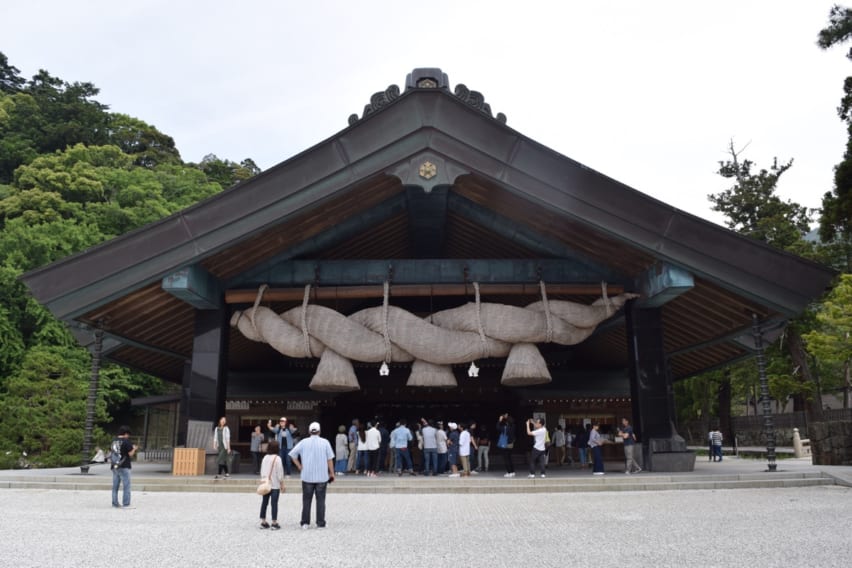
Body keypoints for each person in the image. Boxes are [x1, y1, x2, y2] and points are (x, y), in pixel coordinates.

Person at [289, 421, 335, 529]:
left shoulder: (303, 442)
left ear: (310, 431)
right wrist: (332, 473)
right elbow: (330, 459)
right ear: (319, 431)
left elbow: (292, 454)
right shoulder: (325, 442)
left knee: (306, 500)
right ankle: (320, 523)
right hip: (322, 476)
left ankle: (305, 522)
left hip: (307, 476)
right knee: (321, 500)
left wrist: (299, 466)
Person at [258, 440, 285, 530]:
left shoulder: (265, 458)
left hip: (266, 483)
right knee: (274, 503)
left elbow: (262, 470)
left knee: (264, 502)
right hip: (275, 485)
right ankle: (274, 522)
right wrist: (282, 483)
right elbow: (279, 473)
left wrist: (263, 479)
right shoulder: (277, 459)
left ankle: (263, 521)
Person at [111, 425, 137, 508]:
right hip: (124, 465)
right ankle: (126, 504)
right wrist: (134, 449)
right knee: (126, 485)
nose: (128, 436)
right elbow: (130, 454)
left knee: (115, 486)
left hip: (114, 465)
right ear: (126, 433)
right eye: (128, 434)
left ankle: (115, 503)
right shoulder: (126, 441)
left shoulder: (113, 441)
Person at [496, 413, 516, 478]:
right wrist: (506, 417)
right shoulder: (513, 427)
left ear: (507, 422)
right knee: (510, 458)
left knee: (506, 459)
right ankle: (512, 472)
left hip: (505, 444)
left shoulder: (505, 428)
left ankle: (509, 472)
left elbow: (497, 427)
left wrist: (500, 420)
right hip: (511, 444)